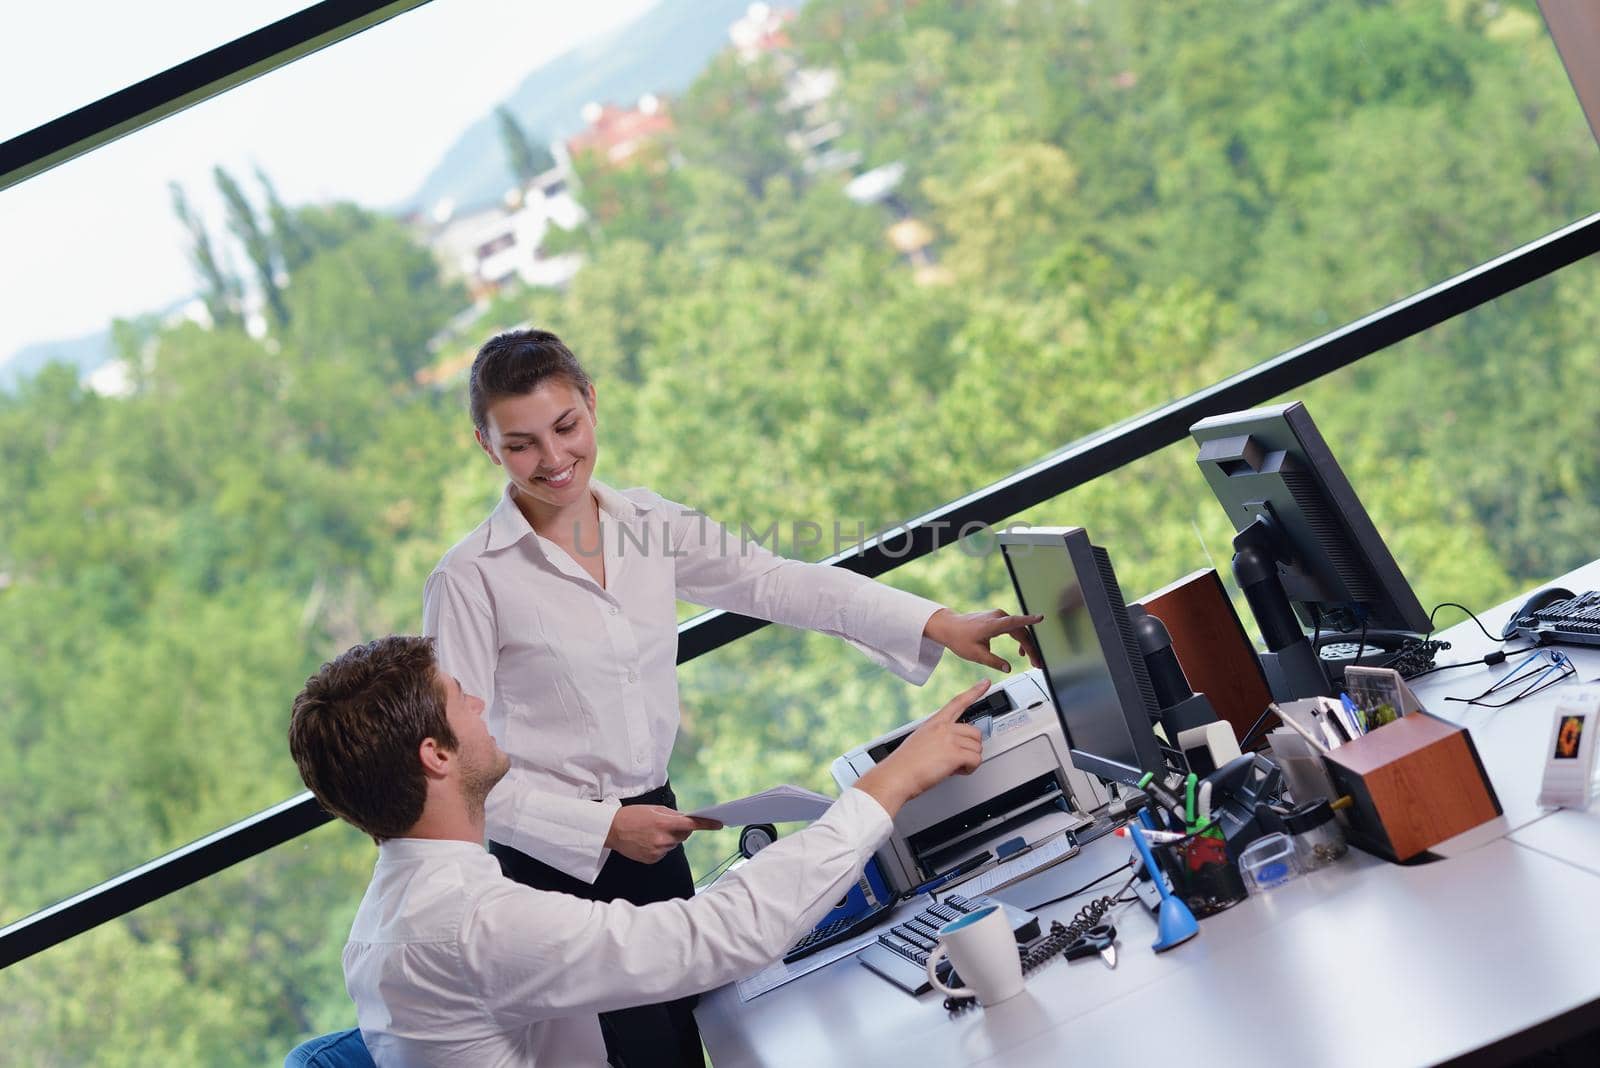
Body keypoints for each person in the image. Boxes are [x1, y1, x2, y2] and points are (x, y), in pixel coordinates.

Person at [423, 328, 1039, 1065]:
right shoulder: (469, 580)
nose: (553, 460)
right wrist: (598, 831)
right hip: (556, 865)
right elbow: (462, 777)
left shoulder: (647, 523)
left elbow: (776, 582)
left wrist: (936, 620)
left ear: (592, 403)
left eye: (566, 427)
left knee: (692, 1041)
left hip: (655, 829)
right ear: (487, 445)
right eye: (521, 444)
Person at [287, 635, 989, 1068]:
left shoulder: (396, 912)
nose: (480, 704)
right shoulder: (468, 922)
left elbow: (628, 947)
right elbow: (716, 939)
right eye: (459, 698)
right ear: (435, 755)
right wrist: (889, 783)